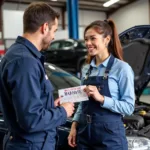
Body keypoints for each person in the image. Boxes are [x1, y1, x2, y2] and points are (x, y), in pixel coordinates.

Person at [0, 2, 74, 150]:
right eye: (54, 30)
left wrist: (49, 106)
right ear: (45, 27)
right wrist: (63, 112)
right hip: (31, 145)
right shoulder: (24, 61)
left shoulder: (23, 56)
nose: (54, 36)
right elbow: (30, 120)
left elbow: (24, 105)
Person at [68, 19, 135, 150]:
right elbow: (82, 103)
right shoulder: (86, 69)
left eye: (93, 38)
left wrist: (102, 99)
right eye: (86, 39)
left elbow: (129, 107)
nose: (88, 43)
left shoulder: (122, 68)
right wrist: (74, 125)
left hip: (110, 136)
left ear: (106, 39)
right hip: (84, 134)